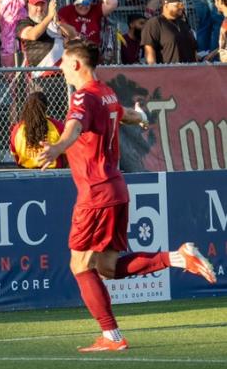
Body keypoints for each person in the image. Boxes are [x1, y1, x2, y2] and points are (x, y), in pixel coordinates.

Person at [36, 40, 216, 352]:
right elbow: (124, 116)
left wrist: (56, 148)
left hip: (95, 193)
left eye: (63, 60)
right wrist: (142, 117)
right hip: (116, 188)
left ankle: (112, 336)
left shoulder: (82, 96)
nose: (60, 66)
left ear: (77, 64)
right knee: (106, 268)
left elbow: (74, 128)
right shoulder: (106, 92)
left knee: (80, 265)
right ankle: (178, 257)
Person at [11, 91, 65, 169]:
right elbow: (69, 151)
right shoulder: (57, 126)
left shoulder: (17, 129)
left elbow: (16, 156)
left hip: (25, 173)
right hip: (53, 172)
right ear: (46, 107)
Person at [141, 0, 198, 64]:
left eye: (182, 5)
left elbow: (193, 49)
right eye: (177, 5)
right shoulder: (155, 23)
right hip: (168, 72)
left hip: (189, 71)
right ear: (166, 5)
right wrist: (154, 71)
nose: (181, 7)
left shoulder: (183, 24)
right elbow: (149, 49)